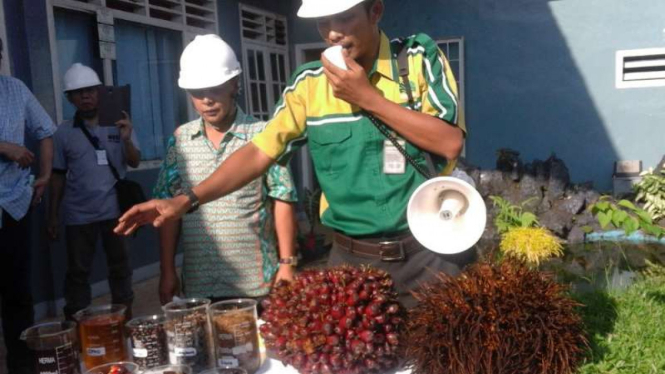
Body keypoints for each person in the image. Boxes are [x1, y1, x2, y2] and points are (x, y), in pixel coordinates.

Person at [116, 0, 472, 308]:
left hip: (429, 255)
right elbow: (258, 152)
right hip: (349, 263)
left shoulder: (416, 59)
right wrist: (187, 199)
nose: (332, 32)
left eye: (344, 17)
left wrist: (367, 98)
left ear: (375, 10)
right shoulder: (307, 84)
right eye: (323, 22)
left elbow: (449, 142)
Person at [152, 35, 298, 307]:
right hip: (199, 285)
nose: (207, 99)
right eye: (197, 92)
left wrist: (287, 263)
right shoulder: (180, 140)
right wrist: (167, 270)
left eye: (215, 89)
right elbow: (169, 211)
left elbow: (283, 199)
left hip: (255, 284)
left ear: (234, 84)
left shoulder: (263, 136)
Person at [48, 63, 141, 320]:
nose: (85, 96)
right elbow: (57, 176)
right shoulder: (63, 132)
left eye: (90, 90)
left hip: (116, 213)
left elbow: (134, 161)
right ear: (70, 98)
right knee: (78, 273)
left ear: (99, 92)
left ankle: (124, 322)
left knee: (121, 268)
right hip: (79, 214)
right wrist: (53, 215)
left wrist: (126, 138)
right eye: (78, 93)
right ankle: (78, 327)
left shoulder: (120, 123)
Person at [0, 36, 56, 374]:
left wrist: (45, 175)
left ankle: (21, 366)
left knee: (18, 294)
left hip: (15, 206)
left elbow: (45, 130)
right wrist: (4, 146)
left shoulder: (15, 89)